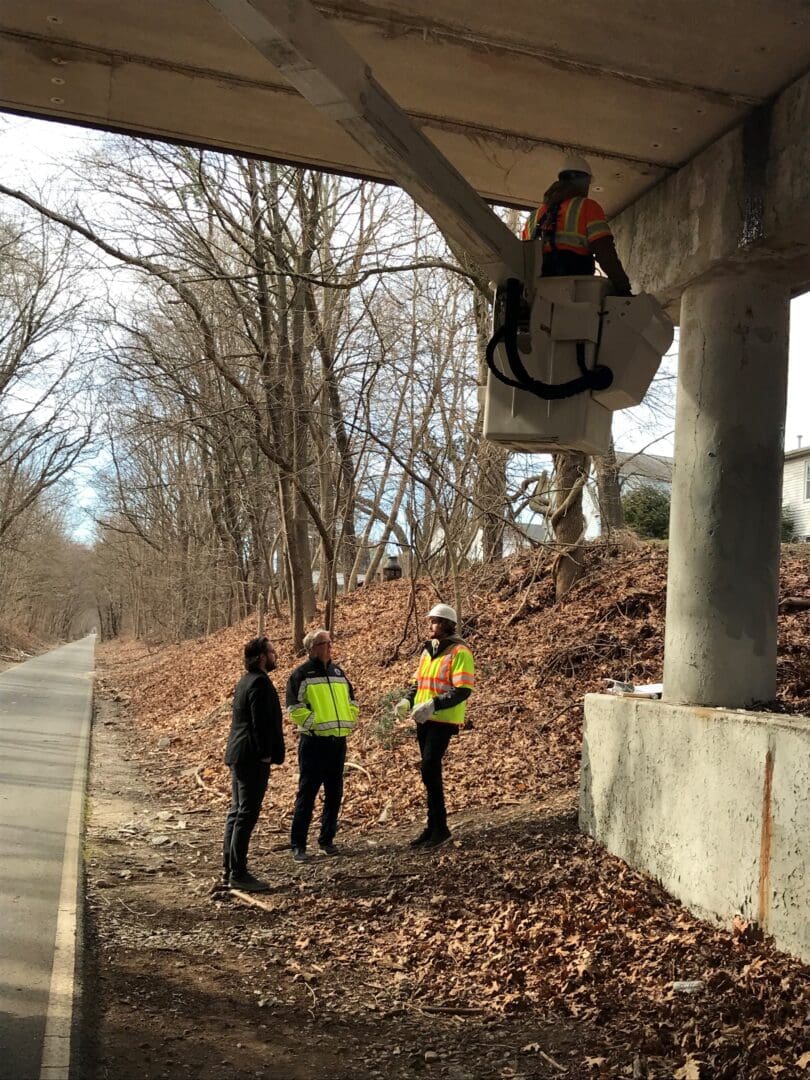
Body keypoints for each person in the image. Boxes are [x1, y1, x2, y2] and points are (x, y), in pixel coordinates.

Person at [397, 604, 475, 850]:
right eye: (431, 621)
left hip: (443, 719)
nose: (431, 626)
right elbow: (418, 683)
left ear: (447, 625)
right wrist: (407, 700)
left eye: (436, 622)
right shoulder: (427, 651)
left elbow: (463, 689)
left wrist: (434, 704)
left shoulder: (460, 651)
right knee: (429, 772)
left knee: (430, 766)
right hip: (423, 718)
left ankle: (440, 827)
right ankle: (433, 826)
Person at [287, 628, 359, 862]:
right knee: (307, 795)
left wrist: (350, 720)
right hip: (314, 744)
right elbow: (294, 708)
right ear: (313, 648)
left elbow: (352, 700)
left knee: (334, 793)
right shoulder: (301, 674)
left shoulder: (338, 672)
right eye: (324, 643)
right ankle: (298, 845)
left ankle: (327, 840)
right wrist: (315, 725)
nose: (330, 646)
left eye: (329, 642)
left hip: (338, 742)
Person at [222, 636, 285, 892]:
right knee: (245, 814)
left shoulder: (245, 681)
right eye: (272, 651)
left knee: (237, 813)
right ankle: (238, 872)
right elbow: (260, 723)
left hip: (239, 754)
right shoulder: (258, 683)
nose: (275, 655)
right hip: (250, 757)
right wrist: (265, 754)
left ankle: (230, 869)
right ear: (262, 657)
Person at [522, 154, 632, 295]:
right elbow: (604, 251)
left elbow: (525, 260)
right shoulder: (587, 207)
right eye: (587, 183)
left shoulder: (533, 217)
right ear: (582, 181)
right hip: (575, 291)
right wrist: (622, 286)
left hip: (537, 294)